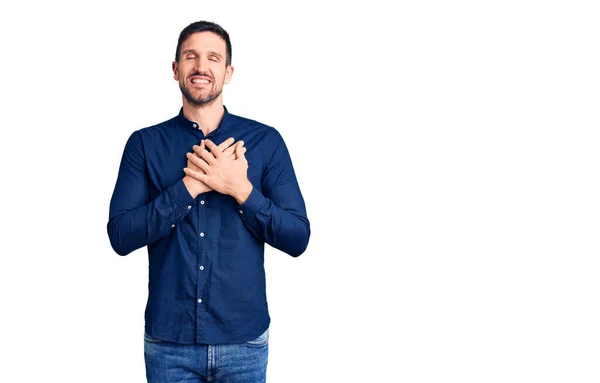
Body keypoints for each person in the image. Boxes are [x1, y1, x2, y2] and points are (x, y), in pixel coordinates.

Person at [107, 20, 310, 383]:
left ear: (228, 72)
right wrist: (188, 188)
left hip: (244, 343)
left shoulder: (266, 141)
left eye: (213, 58)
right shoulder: (144, 144)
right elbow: (120, 236)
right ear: (176, 69)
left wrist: (240, 189)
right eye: (191, 56)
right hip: (169, 343)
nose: (202, 67)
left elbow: (298, 238)